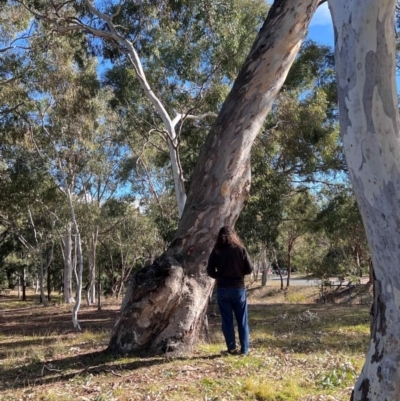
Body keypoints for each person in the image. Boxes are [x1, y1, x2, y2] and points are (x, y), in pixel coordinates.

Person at [207, 226, 253, 355]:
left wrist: (220, 276)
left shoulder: (216, 251)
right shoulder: (240, 249)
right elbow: (249, 269)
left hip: (222, 290)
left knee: (227, 320)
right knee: (242, 320)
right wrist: (239, 274)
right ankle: (244, 350)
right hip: (238, 289)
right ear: (234, 236)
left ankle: (231, 348)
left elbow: (210, 271)